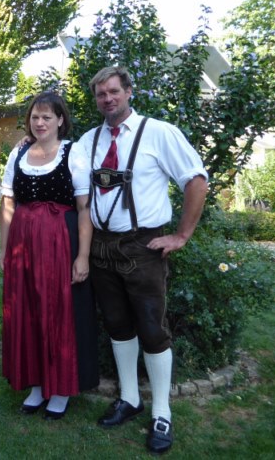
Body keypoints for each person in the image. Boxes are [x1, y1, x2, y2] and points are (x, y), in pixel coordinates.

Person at [71, 66, 208, 454]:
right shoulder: (89, 140)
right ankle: (130, 398)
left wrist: (181, 235)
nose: (108, 99)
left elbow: (196, 180)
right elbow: (54, 158)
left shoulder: (159, 132)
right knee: (117, 326)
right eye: (101, 94)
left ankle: (162, 412)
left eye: (114, 91)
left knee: (152, 329)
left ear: (129, 91)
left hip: (143, 247)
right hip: (102, 247)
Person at [0, 92, 99, 420]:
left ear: (60, 120)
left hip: (59, 242)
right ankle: (36, 384)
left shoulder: (73, 152)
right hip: (23, 244)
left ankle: (60, 389)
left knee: (57, 311)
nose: (39, 123)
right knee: (27, 309)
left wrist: (82, 256)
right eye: (34, 117)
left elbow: (84, 208)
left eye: (46, 117)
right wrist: (4, 250)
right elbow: (8, 204)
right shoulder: (19, 152)